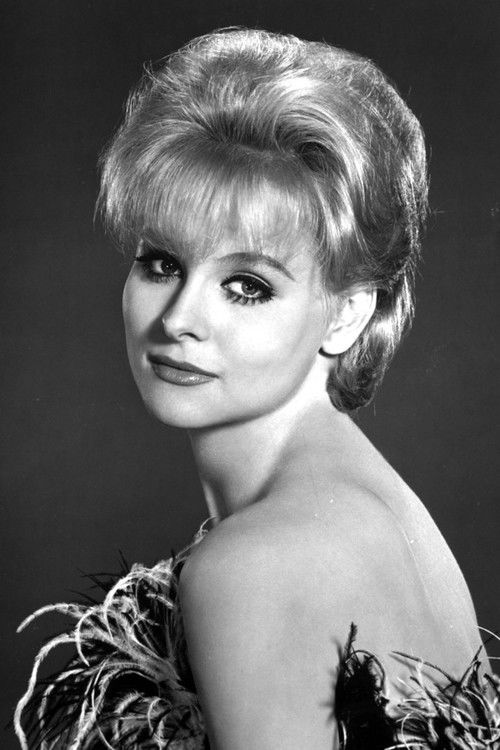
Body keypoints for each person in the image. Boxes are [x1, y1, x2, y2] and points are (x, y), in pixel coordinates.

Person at [15, 27, 499, 750]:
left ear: (347, 313)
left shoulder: (258, 564)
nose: (179, 319)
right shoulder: (378, 509)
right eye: (162, 263)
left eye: (247, 285)